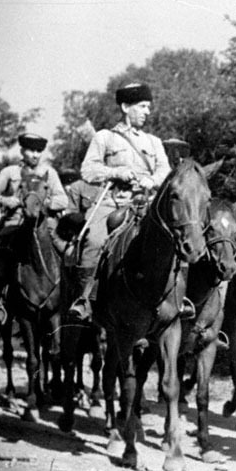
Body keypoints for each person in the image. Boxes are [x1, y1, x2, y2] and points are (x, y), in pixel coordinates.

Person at [67, 82, 183, 321]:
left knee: (179, 239)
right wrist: (116, 172)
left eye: (148, 107)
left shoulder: (154, 142)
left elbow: (165, 172)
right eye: (142, 106)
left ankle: (180, 299)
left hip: (146, 203)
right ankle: (85, 298)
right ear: (125, 107)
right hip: (112, 202)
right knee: (94, 239)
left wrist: (151, 181)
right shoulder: (104, 137)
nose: (147, 112)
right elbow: (88, 170)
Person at [0, 134, 67, 321]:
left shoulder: (49, 172)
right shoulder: (10, 172)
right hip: (16, 222)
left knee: (67, 252)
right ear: (22, 151)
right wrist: (6, 200)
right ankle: (1, 300)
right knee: (2, 252)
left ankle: (72, 298)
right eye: (31, 150)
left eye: (39, 151)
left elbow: (63, 199)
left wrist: (45, 203)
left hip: (44, 224)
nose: (35, 155)